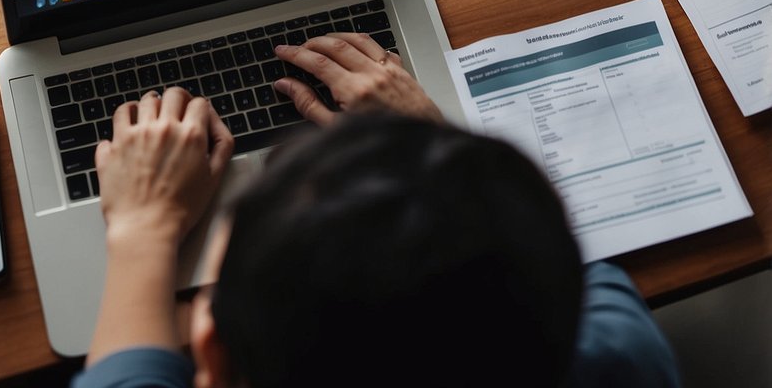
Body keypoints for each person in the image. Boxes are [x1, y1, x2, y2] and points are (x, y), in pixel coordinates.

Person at [72, 32, 681, 388]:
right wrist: (428, 147)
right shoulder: (620, 359)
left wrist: (144, 225)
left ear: (210, 352)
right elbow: (542, 256)